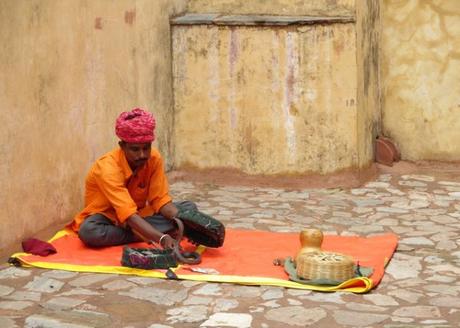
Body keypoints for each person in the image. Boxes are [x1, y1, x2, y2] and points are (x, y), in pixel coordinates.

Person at [68, 108, 196, 249]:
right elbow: (128, 214)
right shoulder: (107, 167)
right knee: (89, 231)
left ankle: (145, 231)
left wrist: (193, 223)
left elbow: (160, 200)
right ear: (122, 146)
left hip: (139, 216)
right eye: (135, 149)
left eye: (146, 148)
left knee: (188, 209)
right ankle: (147, 232)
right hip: (109, 219)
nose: (142, 155)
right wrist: (162, 238)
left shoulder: (154, 158)